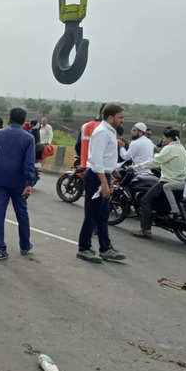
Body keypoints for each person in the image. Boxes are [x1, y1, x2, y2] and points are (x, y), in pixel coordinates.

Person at [77, 103, 127, 263]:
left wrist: (112, 171)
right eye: (120, 117)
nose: (122, 120)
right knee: (91, 215)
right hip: (96, 177)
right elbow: (96, 160)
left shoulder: (110, 131)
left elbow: (107, 157)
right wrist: (104, 183)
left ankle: (105, 248)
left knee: (103, 215)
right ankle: (84, 248)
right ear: (110, 117)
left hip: (103, 175)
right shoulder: (102, 132)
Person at [0, 108, 36, 260]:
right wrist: (29, 183)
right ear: (24, 120)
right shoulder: (28, 138)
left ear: (9, 119)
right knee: (22, 214)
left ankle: (0, 249)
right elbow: (29, 163)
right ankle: (25, 245)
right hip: (19, 182)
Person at [131, 127, 186, 237]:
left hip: (167, 181)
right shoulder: (182, 149)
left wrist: (135, 167)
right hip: (179, 181)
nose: (163, 140)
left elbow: (155, 162)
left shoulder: (169, 148)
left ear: (169, 138)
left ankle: (145, 230)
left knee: (145, 201)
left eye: (164, 138)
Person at [75, 103, 106, 169]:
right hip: (99, 168)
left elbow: (77, 146)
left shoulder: (86, 125)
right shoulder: (107, 129)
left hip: (85, 165)